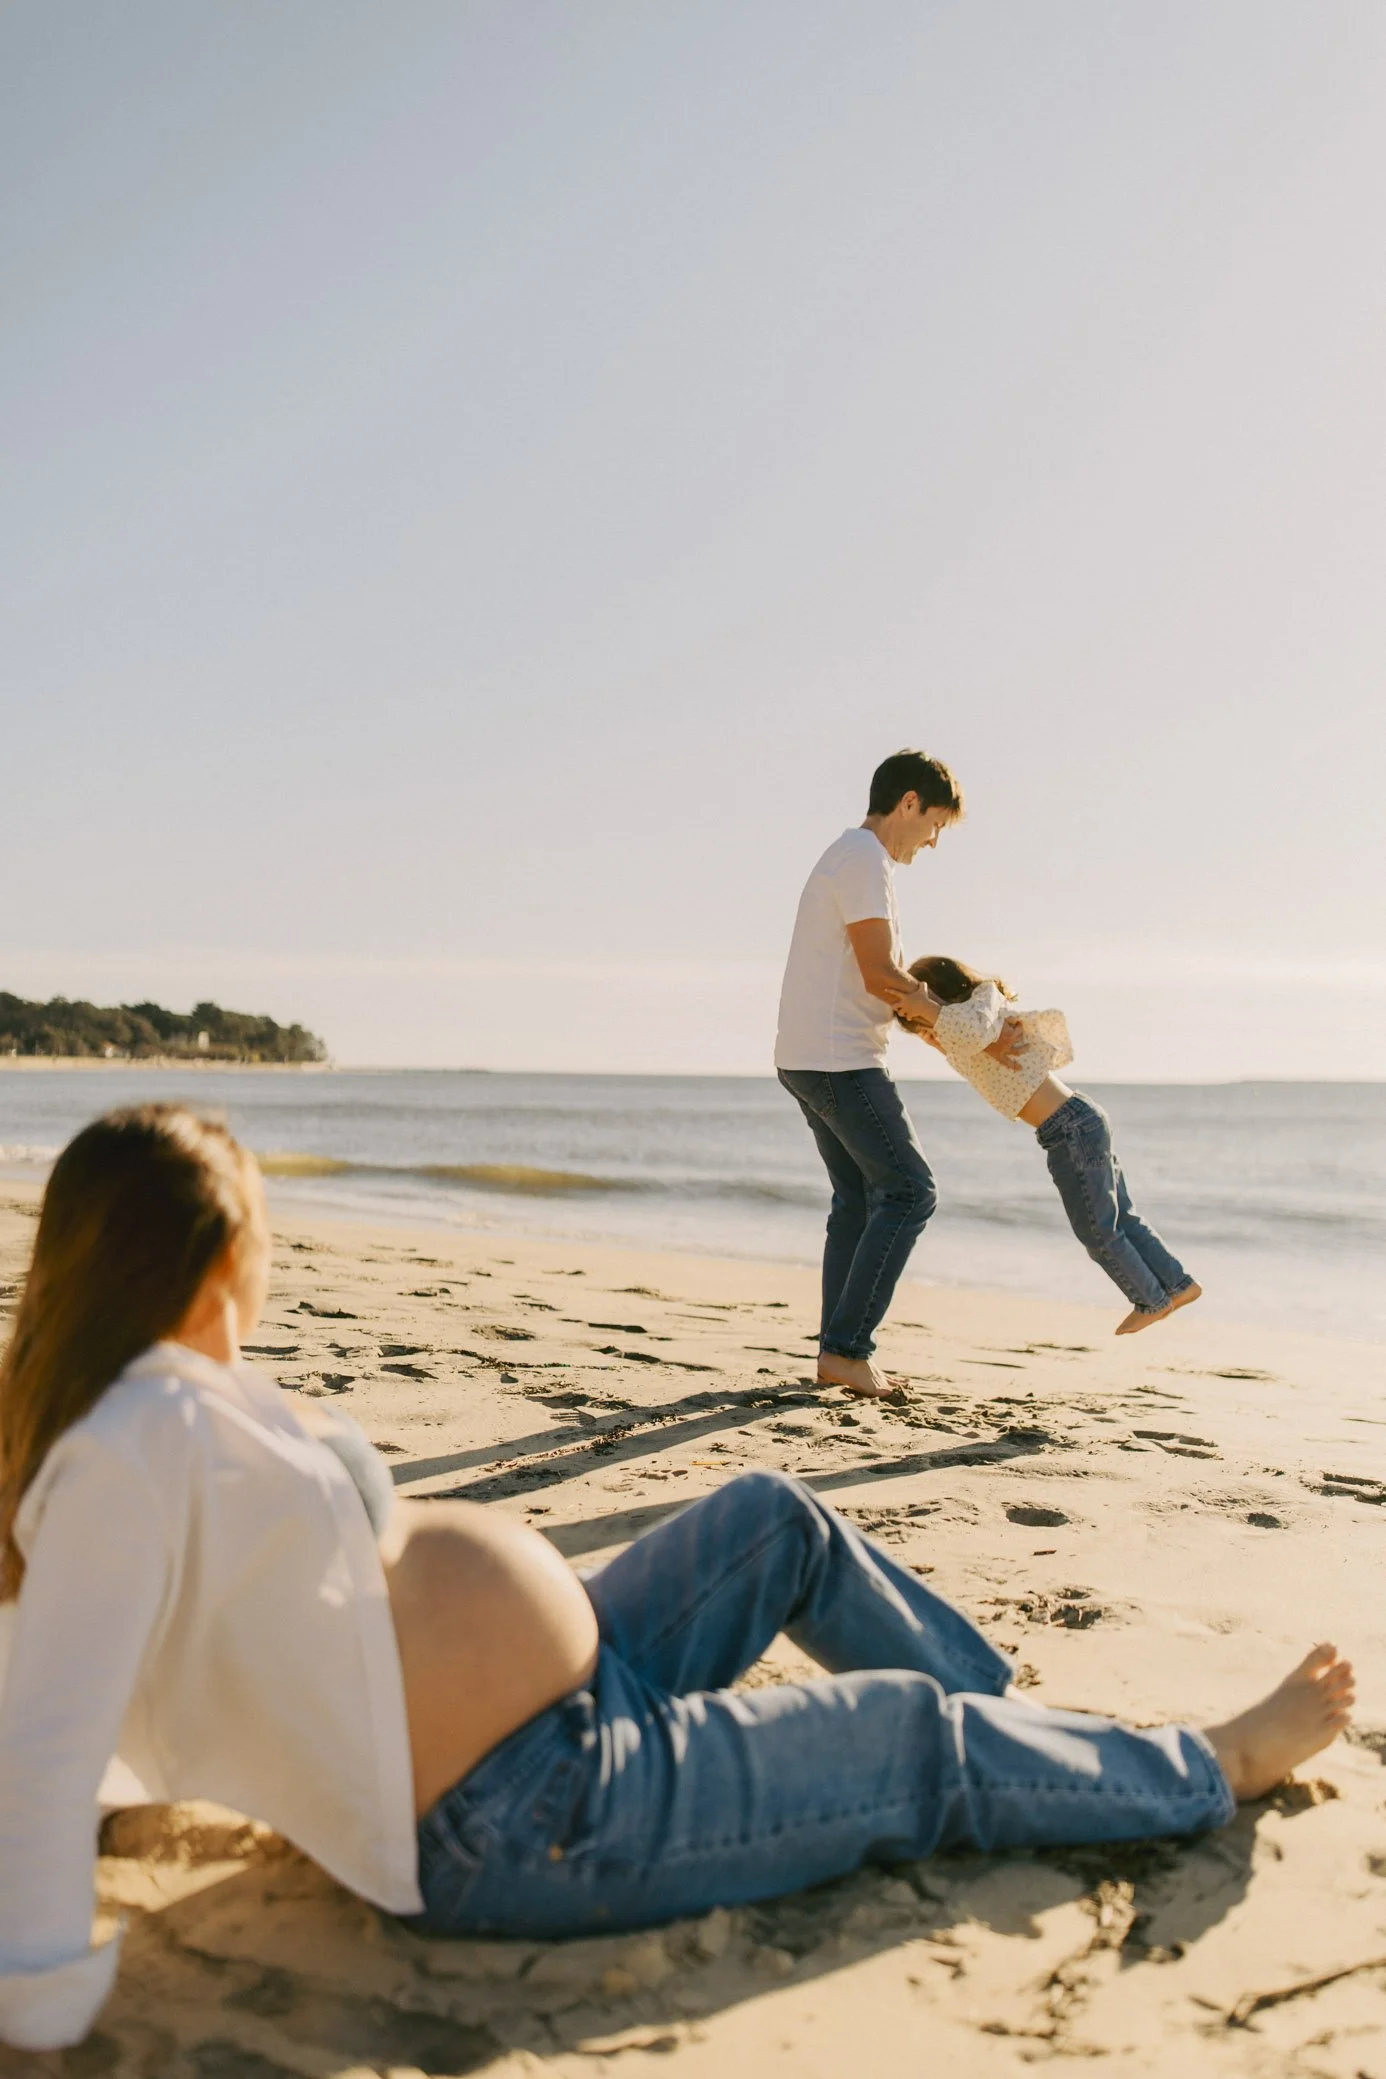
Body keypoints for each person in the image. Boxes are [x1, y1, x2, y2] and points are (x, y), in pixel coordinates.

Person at [0, 1106, 1353, 2053]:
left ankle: (1035, 1734)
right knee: (901, 1744)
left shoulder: (167, 1404)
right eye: (251, 1240)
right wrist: (39, 1996)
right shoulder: (130, 1443)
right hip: (528, 1818)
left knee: (776, 1519)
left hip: (558, 1712)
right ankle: (1197, 1766)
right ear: (203, 1252)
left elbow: (139, 1665)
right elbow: (49, 1732)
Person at [774, 750, 1023, 1399]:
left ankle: (837, 1353)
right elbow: (881, 975)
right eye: (936, 823)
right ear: (908, 803)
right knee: (911, 1191)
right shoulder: (862, 859)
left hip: (809, 1054)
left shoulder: (851, 857)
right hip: (839, 1057)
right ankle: (849, 1350)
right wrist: (967, 1027)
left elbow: (879, 977)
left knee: (858, 1199)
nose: (935, 840)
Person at [901, 956, 1201, 1333]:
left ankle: (1151, 1299)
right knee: (1120, 1216)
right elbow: (964, 1043)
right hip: (1075, 1122)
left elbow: (970, 1030)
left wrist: (929, 1010)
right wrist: (934, 1031)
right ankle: (1178, 1285)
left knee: (1097, 1228)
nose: (925, 1028)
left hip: (1071, 1126)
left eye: (923, 1018)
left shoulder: (983, 1005)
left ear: (942, 995)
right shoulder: (973, 1028)